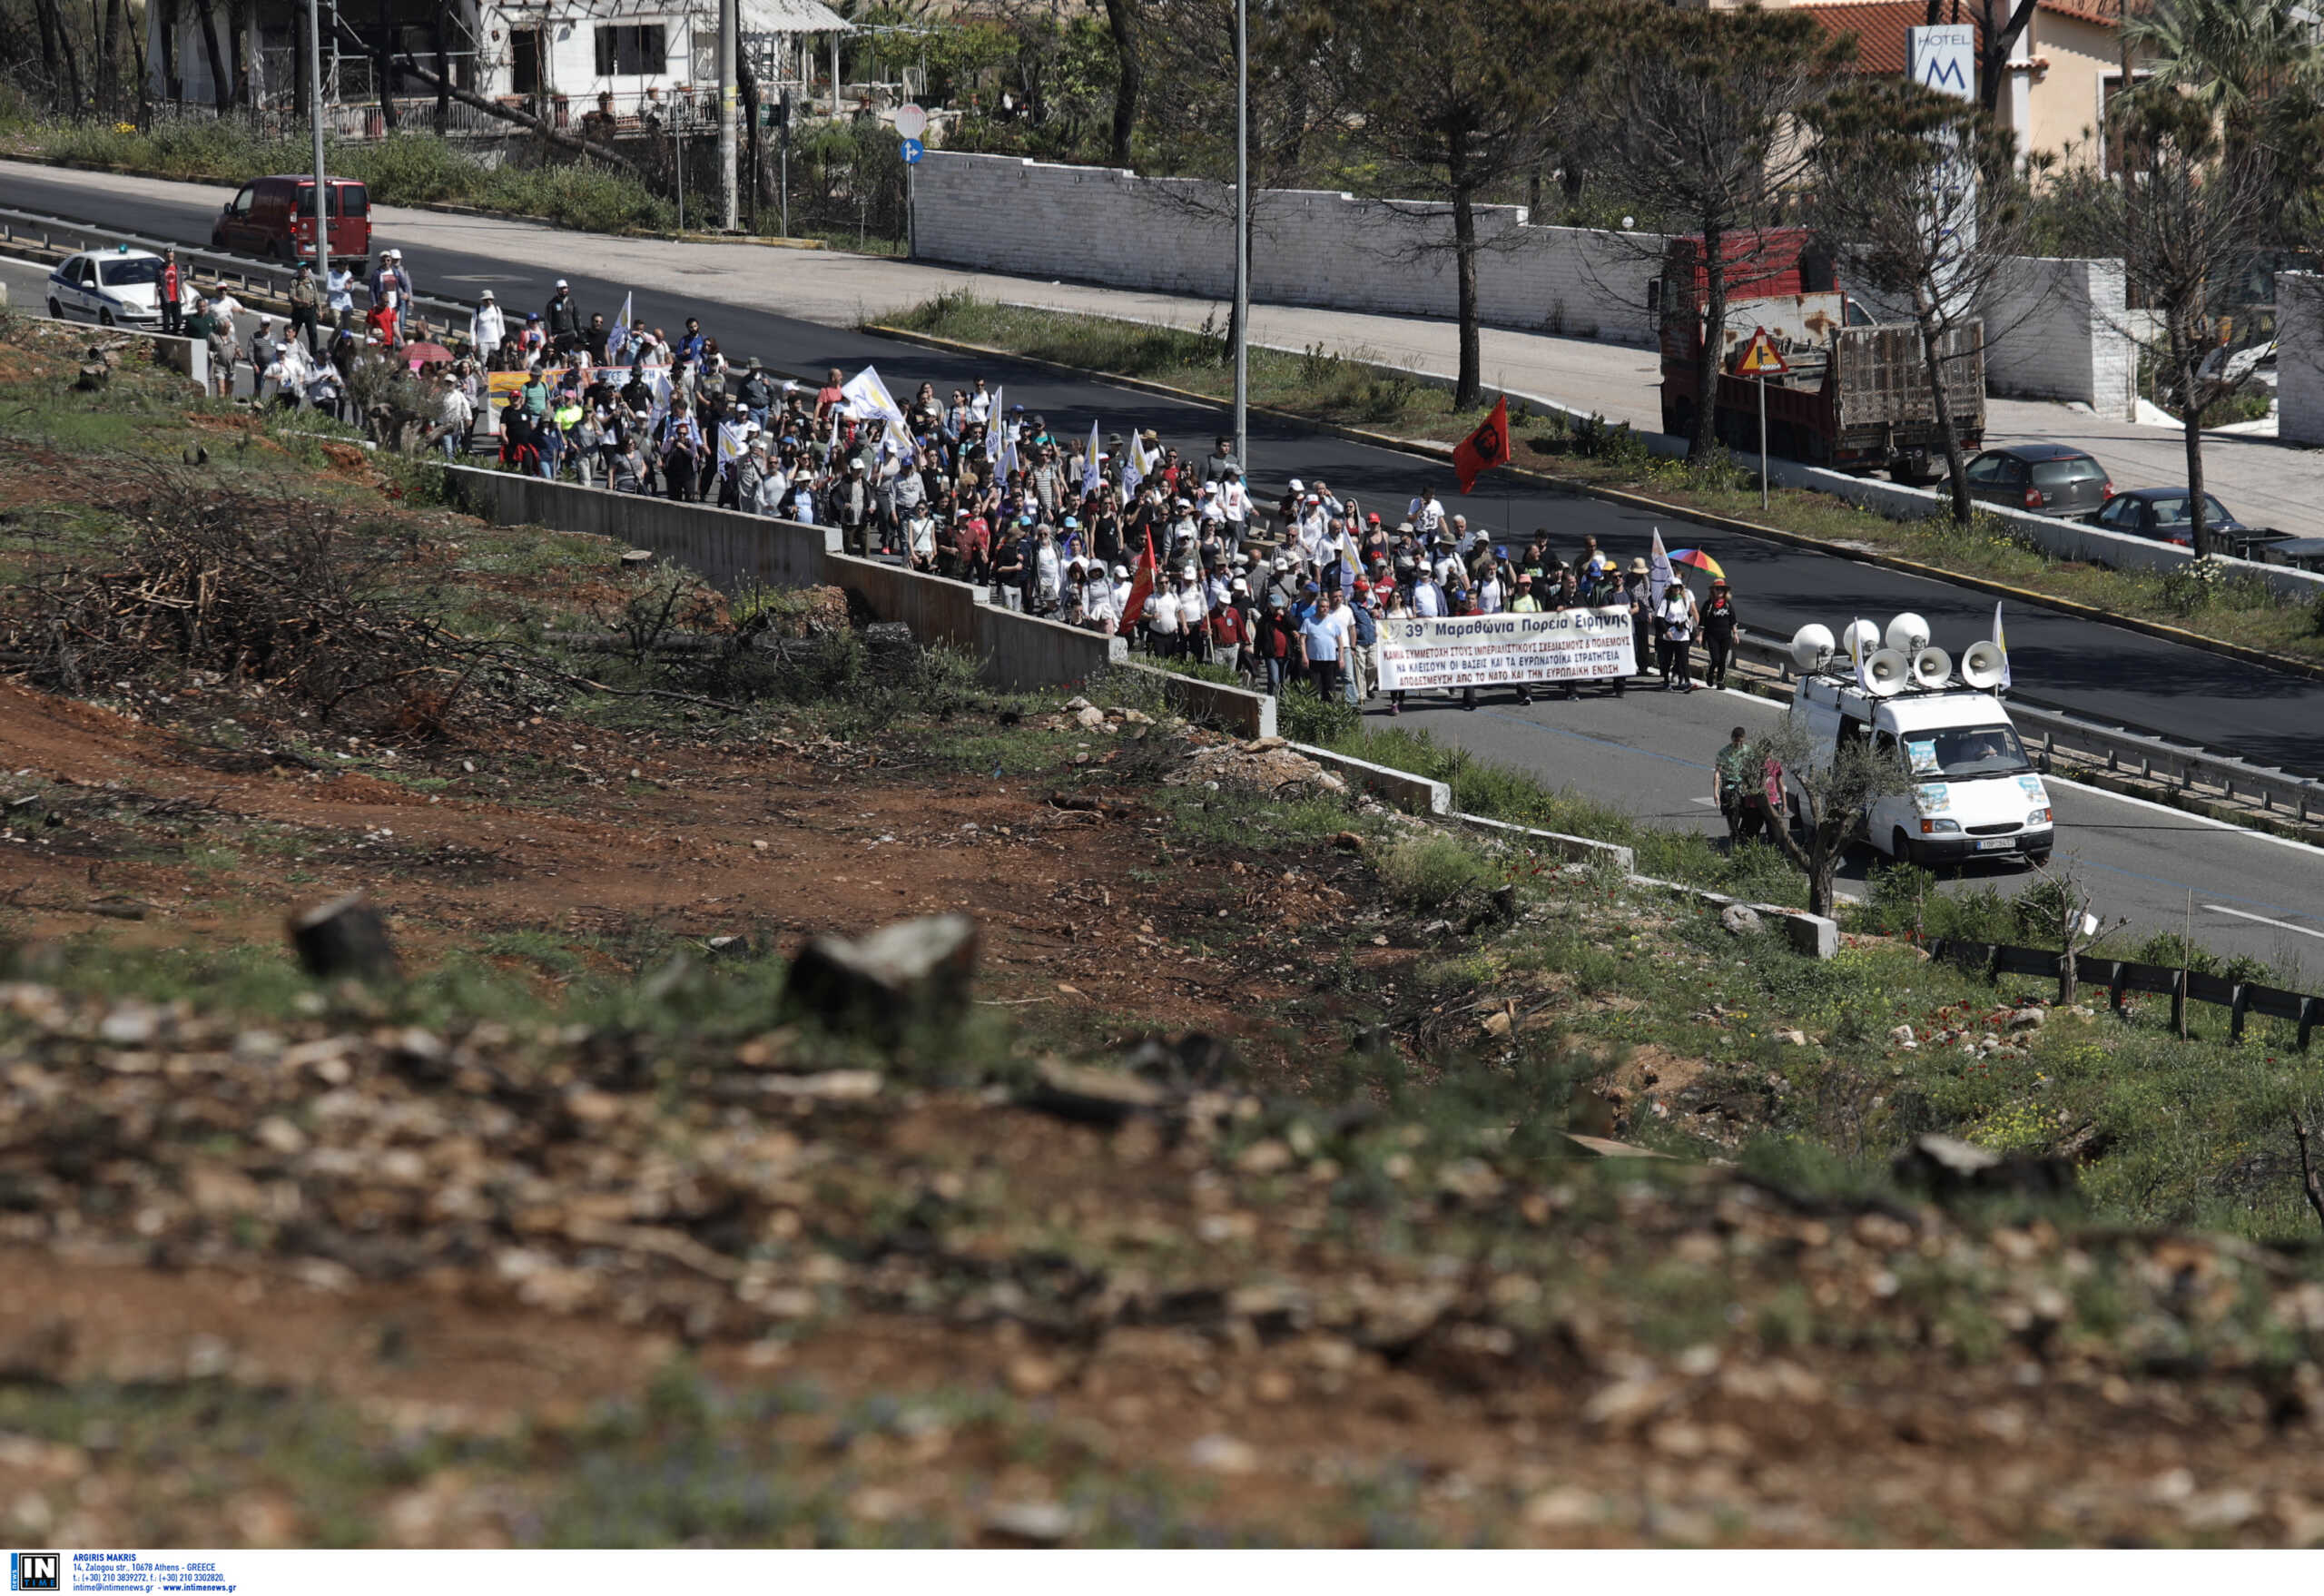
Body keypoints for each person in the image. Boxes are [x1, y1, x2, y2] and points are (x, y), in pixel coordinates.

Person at [1300, 588, 1346, 700]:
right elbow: (1302, 640)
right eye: (1322, 606)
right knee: (1314, 690)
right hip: (1314, 660)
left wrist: (1341, 658)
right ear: (1317, 607)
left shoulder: (1333, 621)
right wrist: (1304, 656)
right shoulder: (1308, 621)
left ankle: (1327, 713)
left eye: (1326, 607)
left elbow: (1340, 641)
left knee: (1329, 689)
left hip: (1330, 660)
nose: (1325, 609)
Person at [1656, 579, 1699, 691]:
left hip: (1683, 633)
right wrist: (1666, 631)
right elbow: (1660, 619)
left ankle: (1687, 681)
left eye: (1679, 587)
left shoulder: (1684, 600)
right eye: (1675, 587)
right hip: (1670, 633)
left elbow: (1688, 614)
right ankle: (1666, 681)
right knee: (1668, 659)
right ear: (1671, 588)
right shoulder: (1666, 601)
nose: (1677, 589)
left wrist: (1689, 623)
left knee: (1684, 658)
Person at [1713, 726, 1754, 843]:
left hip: (1745, 789)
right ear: (1732, 739)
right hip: (1730, 788)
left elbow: (1754, 769)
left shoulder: (1748, 752)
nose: (1738, 744)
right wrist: (1715, 792)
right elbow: (1718, 773)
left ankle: (1741, 836)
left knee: (1748, 816)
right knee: (1733, 817)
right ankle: (1735, 838)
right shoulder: (1724, 753)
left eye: (1741, 741)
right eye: (1736, 742)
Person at [1701, 576, 1738, 689]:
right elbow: (1702, 622)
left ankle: (1720, 681)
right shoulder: (1708, 604)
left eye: (1722, 589)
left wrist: (1735, 634)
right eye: (1717, 589)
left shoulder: (1728, 604)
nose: (1720, 591)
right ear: (1713, 590)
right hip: (1712, 636)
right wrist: (1700, 635)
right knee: (1715, 659)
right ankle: (1710, 674)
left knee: (1723, 659)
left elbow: (1733, 620)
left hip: (1725, 636)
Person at [158, 249, 184, 337]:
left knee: (178, 321)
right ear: (165, 256)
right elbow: (157, 284)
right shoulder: (161, 269)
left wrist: (186, 296)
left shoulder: (178, 268)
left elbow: (182, 283)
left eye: (172, 256)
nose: (170, 258)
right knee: (166, 323)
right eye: (168, 256)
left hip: (176, 298)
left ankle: (173, 334)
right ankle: (167, 337)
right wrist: (158, 297)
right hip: (166, 299)